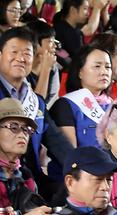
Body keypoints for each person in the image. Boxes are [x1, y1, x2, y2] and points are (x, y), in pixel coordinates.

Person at [0, 28, 73, 195]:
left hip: (30, 179)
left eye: (27, 53)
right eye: (14, 52)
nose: (21, 58)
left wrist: (80, 167)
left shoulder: (36, 101)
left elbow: (56, 141)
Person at [50, 44, 114, 149]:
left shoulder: (115, 106)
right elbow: (70, 153)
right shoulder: (66, 105)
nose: (104, 72)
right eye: (97, 66)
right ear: (80, 72)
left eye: (108, 67)